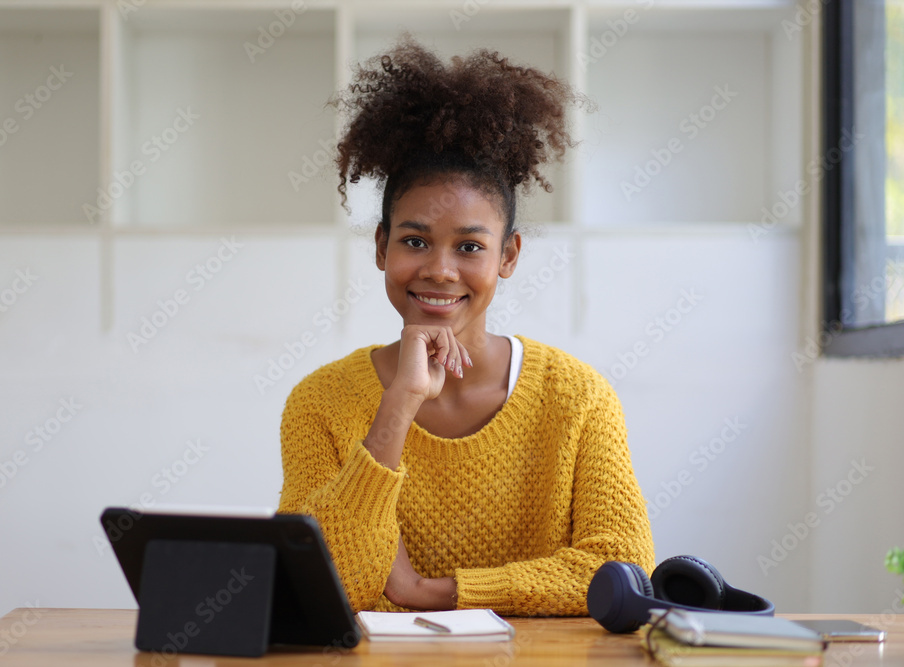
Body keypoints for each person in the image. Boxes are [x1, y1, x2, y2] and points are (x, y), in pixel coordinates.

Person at [277, 34, 654, 616]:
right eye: (415, 240)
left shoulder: (578, 397)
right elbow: (316, 589)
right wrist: (397, 407)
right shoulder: (320, 404)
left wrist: (435, 592)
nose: (439, 270)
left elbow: (623, 572)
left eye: (470, 246)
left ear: (508, 256)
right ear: (381, 247)